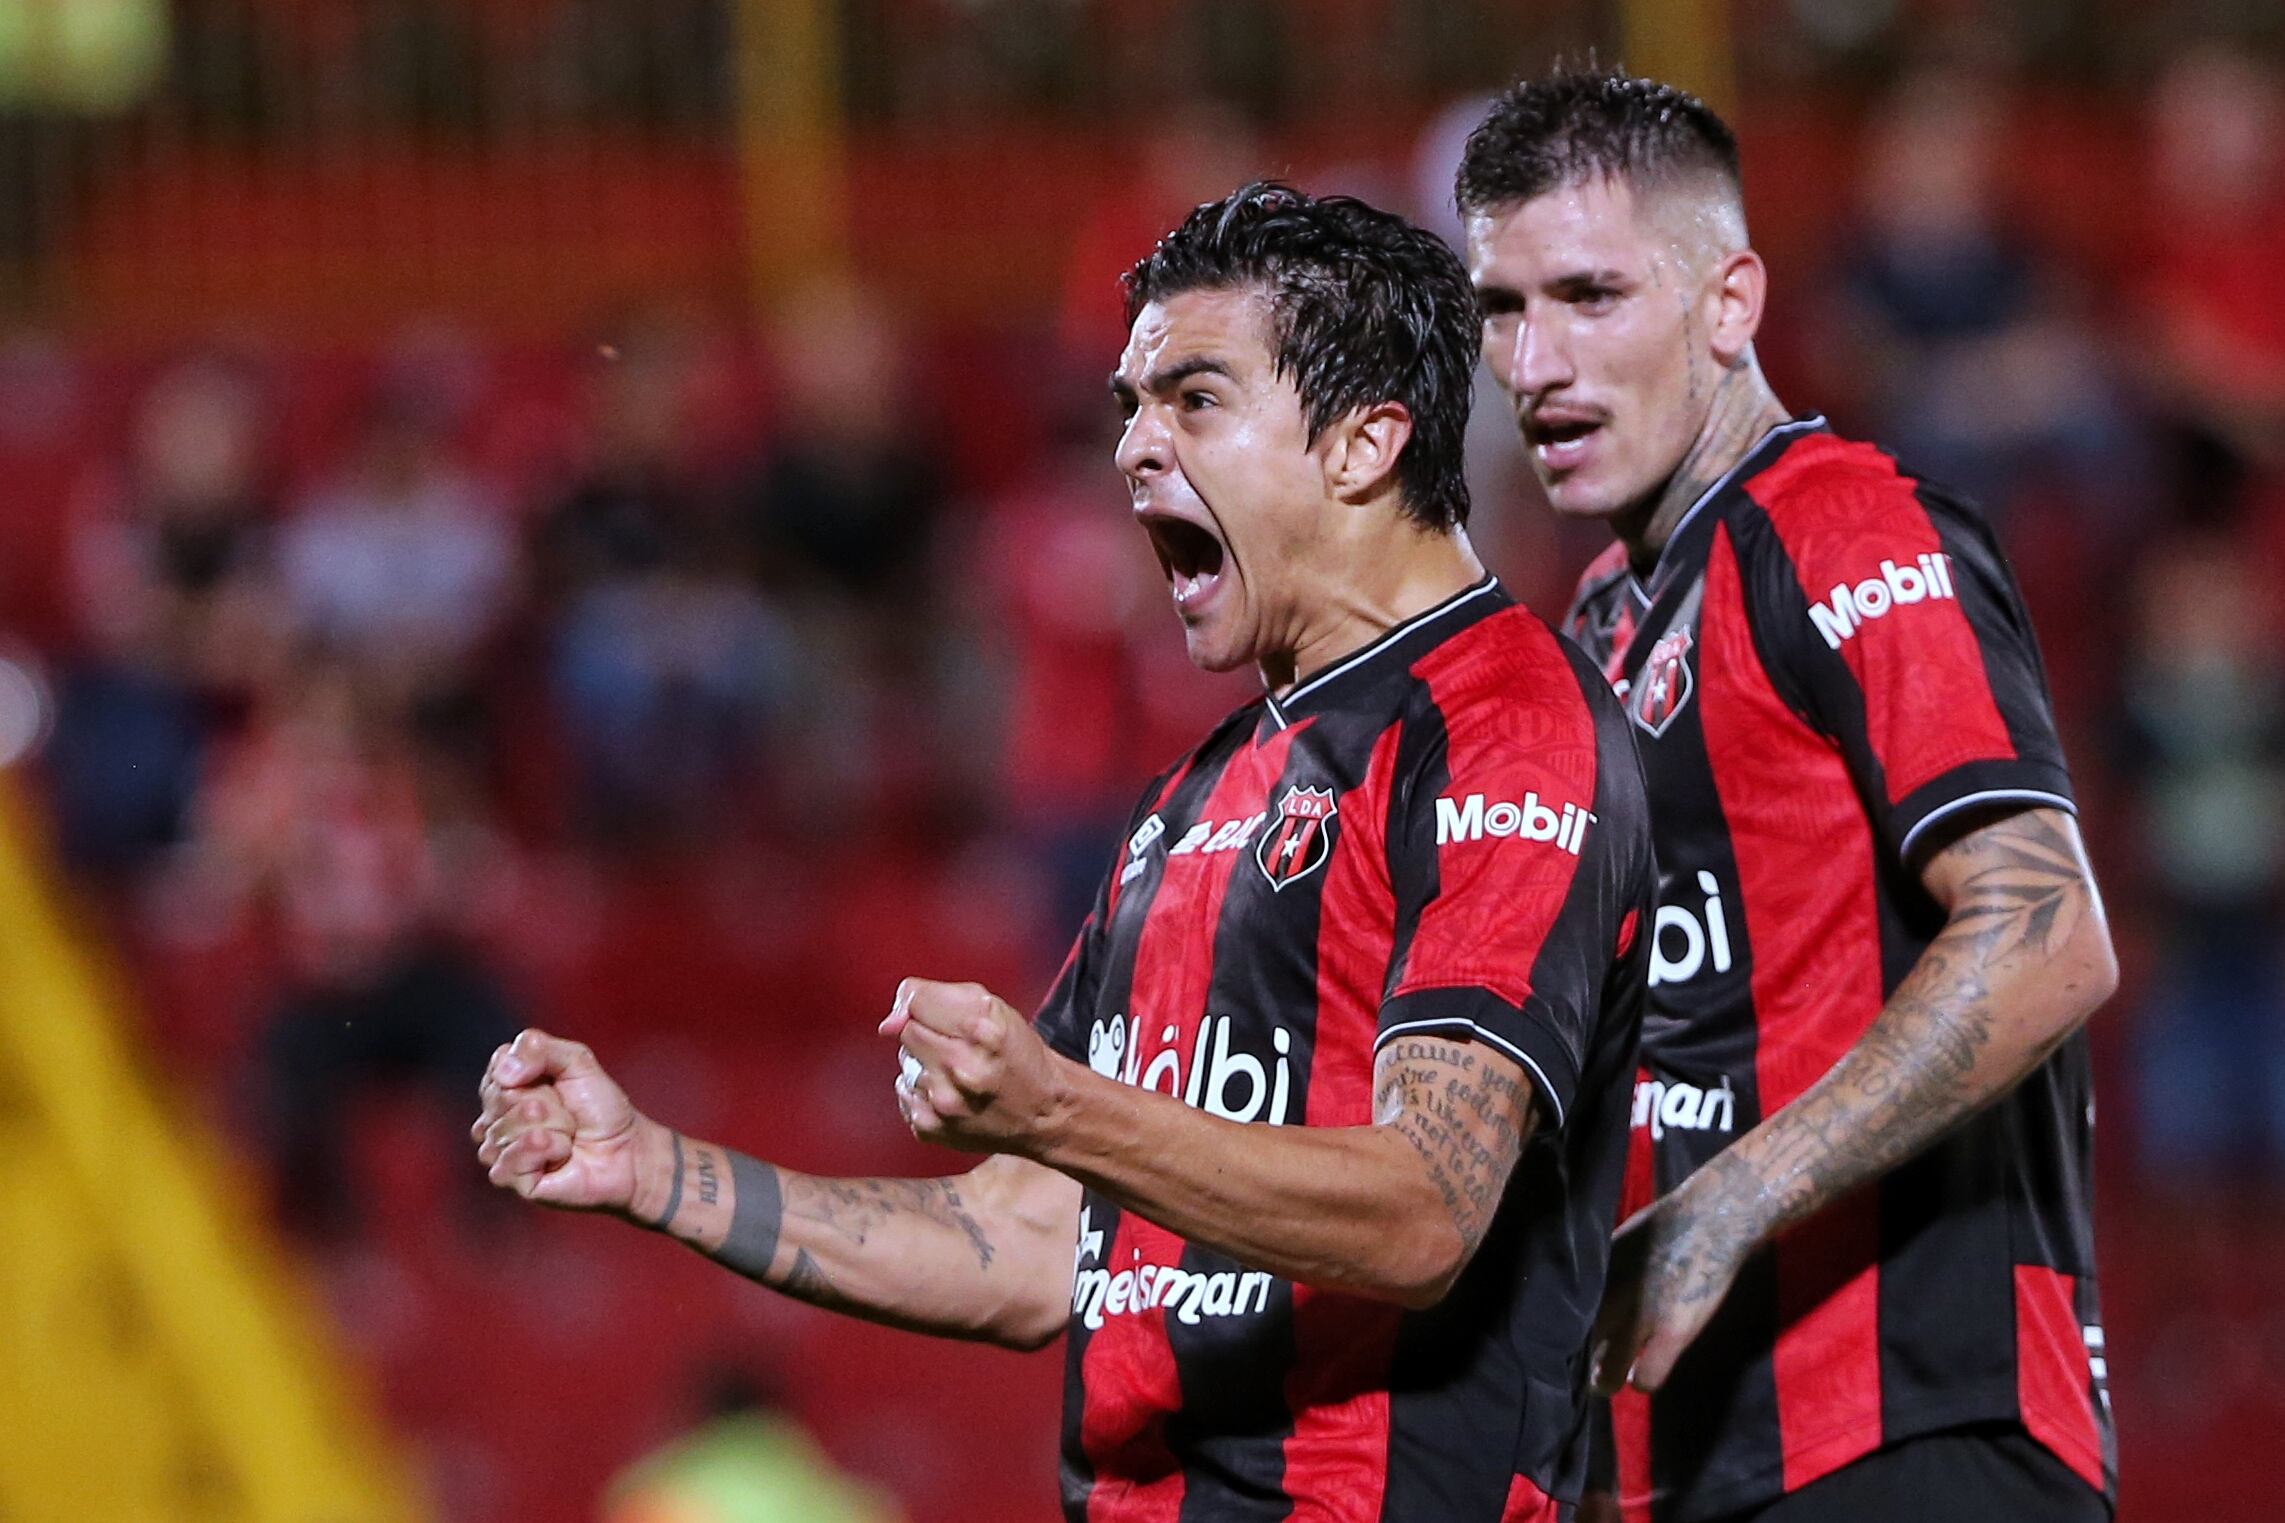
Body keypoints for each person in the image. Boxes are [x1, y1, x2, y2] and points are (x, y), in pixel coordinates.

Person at [474, 183, 1655, 1522]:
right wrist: (655, 1171)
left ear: (1362, 442)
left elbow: (1428, 1209)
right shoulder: (1192, 802)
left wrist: (1060, 1110)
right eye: (1128, 410)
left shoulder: (1502, 725)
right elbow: (1023, 1244)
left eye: (1193, 401)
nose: (1134, 452)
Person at [1454, 70, 2120, 1523]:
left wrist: (1727, 1205)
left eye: (1588, 294)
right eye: (1500, 309)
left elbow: (2045, 930)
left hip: (1918, 1430)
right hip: (1704, 1460)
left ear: (1728, 301)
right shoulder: (1605, 617)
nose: (1535, 361)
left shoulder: (1840, 524)